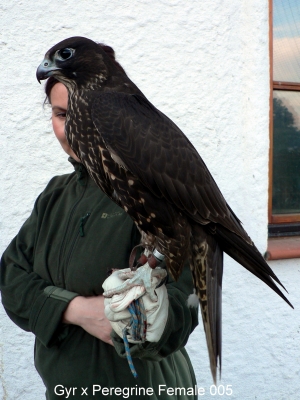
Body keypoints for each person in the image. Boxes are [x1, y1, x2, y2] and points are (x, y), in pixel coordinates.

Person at [0, 44, 198, 400]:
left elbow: (182, 310)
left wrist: (150, 319)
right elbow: (11, 282)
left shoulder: (150, 185)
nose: (73, 126)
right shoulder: (55, 196)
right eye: (62, 115)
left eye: (83, 112)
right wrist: (77, 310)